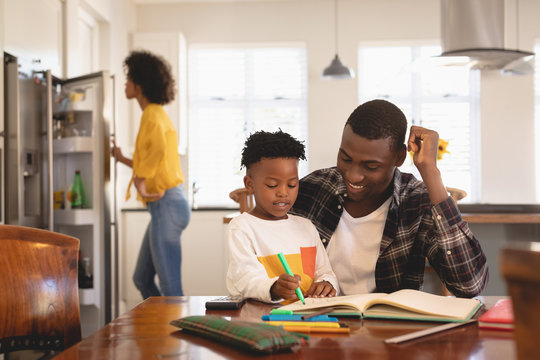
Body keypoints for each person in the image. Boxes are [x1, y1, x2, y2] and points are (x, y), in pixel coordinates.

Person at [291, 99, 488, 298]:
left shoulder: (416, 201)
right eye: (345, 158)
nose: (353, 175)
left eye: (371, 166)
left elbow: (469, 285)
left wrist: (431, 171)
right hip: (317, 321)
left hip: (388, 326)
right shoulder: (312, 189)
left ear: (400, 157)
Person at [111, 50, 190, 298]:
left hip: (167, 204)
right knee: (141, 279)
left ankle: (172, 336)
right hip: (165, 206)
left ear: (140, 84)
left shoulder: (152, 115)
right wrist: (120, 156)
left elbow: (155, 150)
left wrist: (139, 181)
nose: (125, 84)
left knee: (171, 288)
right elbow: (150, 158)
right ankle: (161, 329)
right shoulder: (155, 114)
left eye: (128, 79)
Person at [226, 130, 339, 303]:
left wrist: (327, 283)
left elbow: (324, 271)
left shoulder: (306, 227)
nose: (283, 193)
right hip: (262, 320)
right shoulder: (242, 227)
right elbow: (244, 279)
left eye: (292, 184)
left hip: (306, 318)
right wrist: (274, 288)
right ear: (250, 184)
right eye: (272, 185)